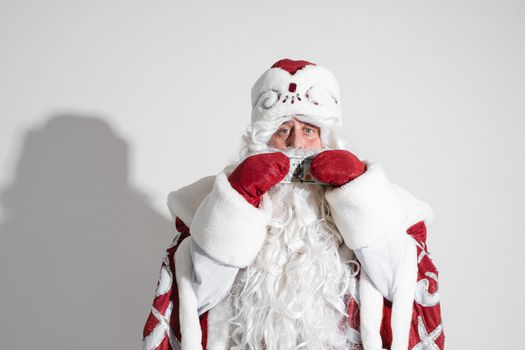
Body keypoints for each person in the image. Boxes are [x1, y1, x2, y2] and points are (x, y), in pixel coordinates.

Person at [142, 59, 444, 350]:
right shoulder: (205, 208)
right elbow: (195, 298)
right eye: (283, 130)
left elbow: (401, 289)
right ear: (259, 143)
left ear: (329, 140)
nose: (296, 145)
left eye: (309, 131)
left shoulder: (388, 208)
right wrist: (238, 201)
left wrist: (358, 193)